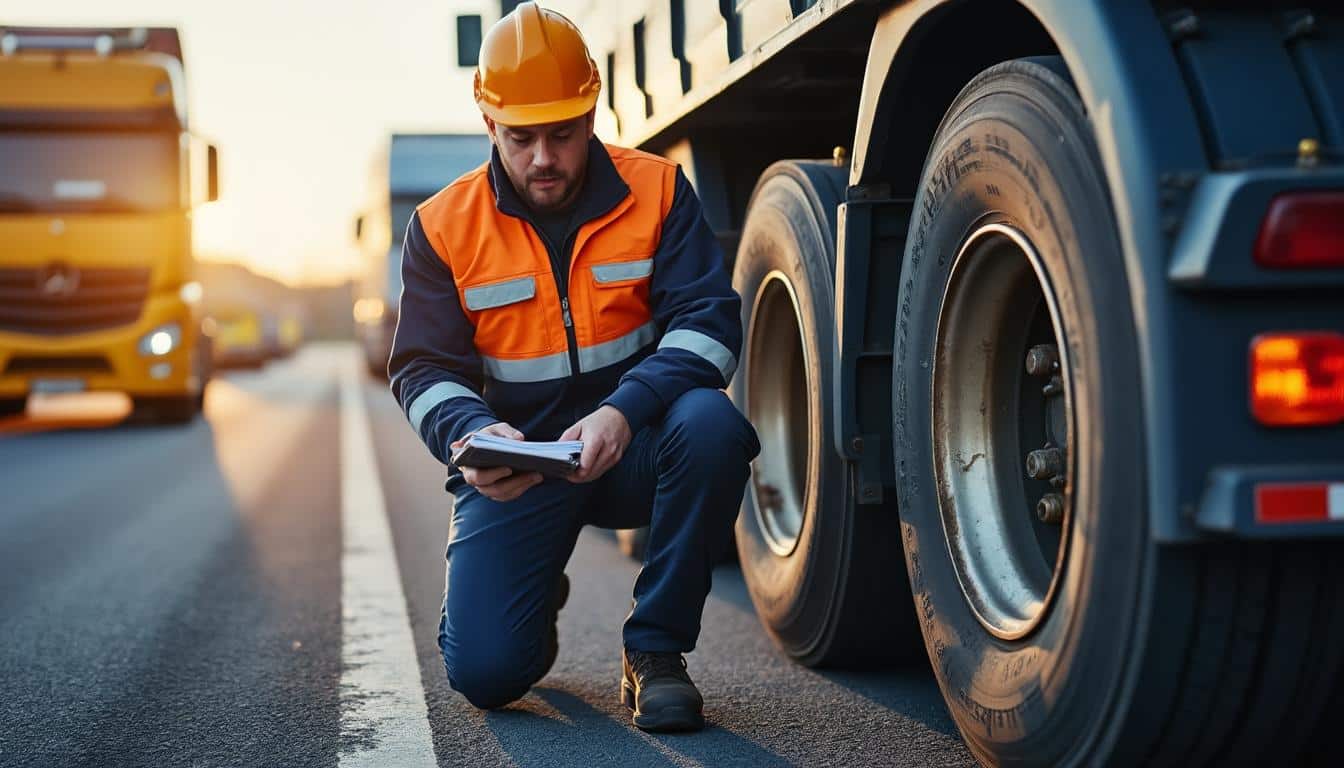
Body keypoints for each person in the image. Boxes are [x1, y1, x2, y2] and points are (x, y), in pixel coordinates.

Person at [388, 1, 759, 733]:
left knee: (714, 424)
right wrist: (474, 435)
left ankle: (654, 653)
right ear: (488, 123)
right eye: (521, 138)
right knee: (489, 676)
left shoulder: (656, 191)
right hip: (520, 467)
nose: (543, 159)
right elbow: (422, 368)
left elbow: (709, 326)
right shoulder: (441, 226)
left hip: (638, 449)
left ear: (592, 111)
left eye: (562, 134)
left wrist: (624, 412)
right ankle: (534, 581)